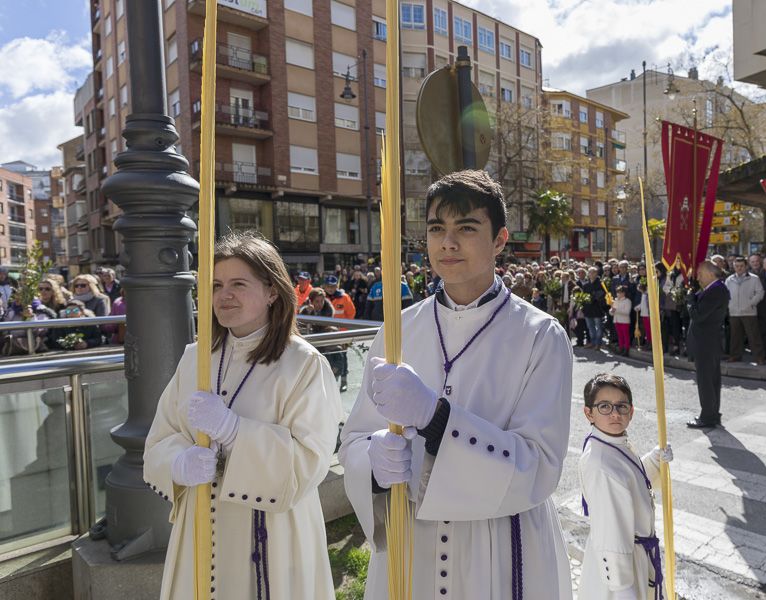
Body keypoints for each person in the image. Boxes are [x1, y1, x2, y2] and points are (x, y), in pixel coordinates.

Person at [339, 170, 574, 599]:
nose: (448, 243)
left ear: (500, 240)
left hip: (498, 545)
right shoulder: (398, 329)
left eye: (466, 228)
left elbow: (540, 464)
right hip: (413, 543)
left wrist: (436, 419)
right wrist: (371, 459)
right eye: (436, 229)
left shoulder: (541, 335)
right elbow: (354, 437)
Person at [143, 232, 343, 600]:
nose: (224, 295)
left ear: (272, 291)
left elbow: (311, 460)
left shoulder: (303, 364)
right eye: (217, 285)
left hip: (274, 534)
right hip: (199, 528)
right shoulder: (195, 357)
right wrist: (178, 463)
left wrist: (235, 432)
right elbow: (159, 438)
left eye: (238, 284)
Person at [579, 373, 673, 599]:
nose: (614, 414)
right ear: (588, 413)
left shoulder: (613, 442)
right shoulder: (601, 463)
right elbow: (609, 529)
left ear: (631, 411)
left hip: (636, 557)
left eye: (621, 406)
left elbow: (629, 483)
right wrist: (622, 589)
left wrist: (654, 461)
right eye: (604, 406)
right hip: (622, 568)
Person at [686, 260, 730, 429]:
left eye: (700, 274)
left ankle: (707, 417)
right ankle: (712, 414)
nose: (698, 278)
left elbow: (698, 315)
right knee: (711, 379)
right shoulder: (712, 289)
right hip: (707, 341)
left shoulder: (717, 290)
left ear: (711, 274)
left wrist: (690, 301)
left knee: (706, 381)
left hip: (706, 342)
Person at [724, 256, 765, 364]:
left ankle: (759, 357)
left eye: (741, 266)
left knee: (754, 336)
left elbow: (760, 292)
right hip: (734, 312)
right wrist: (729, 305)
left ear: (746, 266)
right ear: (733, 267)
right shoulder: (729, 279)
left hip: (749, 312)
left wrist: (751, 303)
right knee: (735, 336)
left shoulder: (754, 278)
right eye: (737, 266)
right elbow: (725, 294)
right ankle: (735, 356)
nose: (739, 268)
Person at [324, 275, 356, 391]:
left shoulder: (344, 297)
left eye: (332, 286)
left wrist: (343, 330)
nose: (330, 289)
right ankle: (330, 381)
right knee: (327, 357)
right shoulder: (322, 297)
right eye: (328, 286)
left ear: (336, 286)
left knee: (343, 357)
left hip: (341, 334)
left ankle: (344, 381)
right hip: (326, 333)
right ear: (325, 286)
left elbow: (351, 314)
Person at [611, 285, 633, 356]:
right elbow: (611, 311)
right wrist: (611, 311)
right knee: (620, 336)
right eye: (617, 292)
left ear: (623, 293)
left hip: (624, 321)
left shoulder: (627, 301)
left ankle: (626, 350)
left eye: (619, 292)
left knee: (625, 336)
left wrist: (616, 310)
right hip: (617, 320)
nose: (618, 294)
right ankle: (621, 348)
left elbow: (626, 312)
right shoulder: (616, 300)